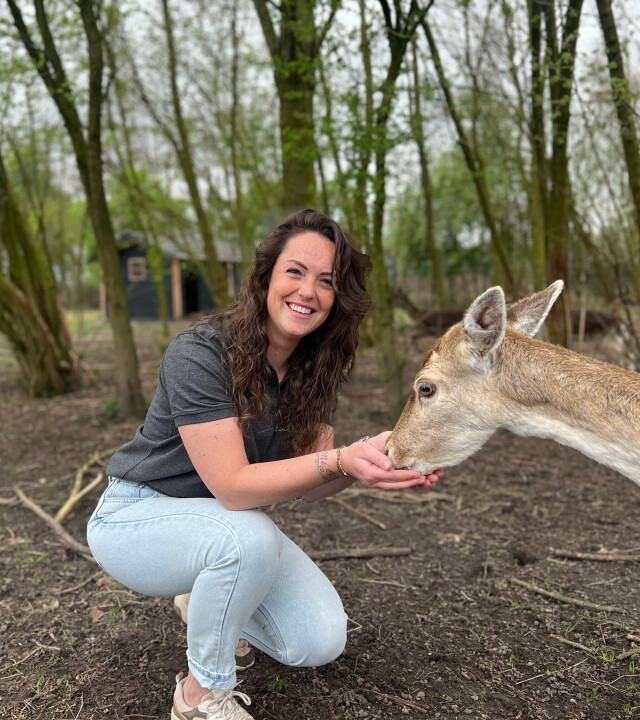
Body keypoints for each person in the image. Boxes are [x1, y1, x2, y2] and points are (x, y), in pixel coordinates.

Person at [87, 209, 441, 720]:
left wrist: (368, 459)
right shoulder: (201, 352)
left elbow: (311, 480)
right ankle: (198, 697)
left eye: (326, 281)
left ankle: (203, 599)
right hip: (136, 517)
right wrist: (338, 458)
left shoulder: (315, 368)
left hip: (225, 527)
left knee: (318, 640)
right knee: (247, 537)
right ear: (266, 277)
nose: (308, 291)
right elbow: (233, 487)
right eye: (295, 271)